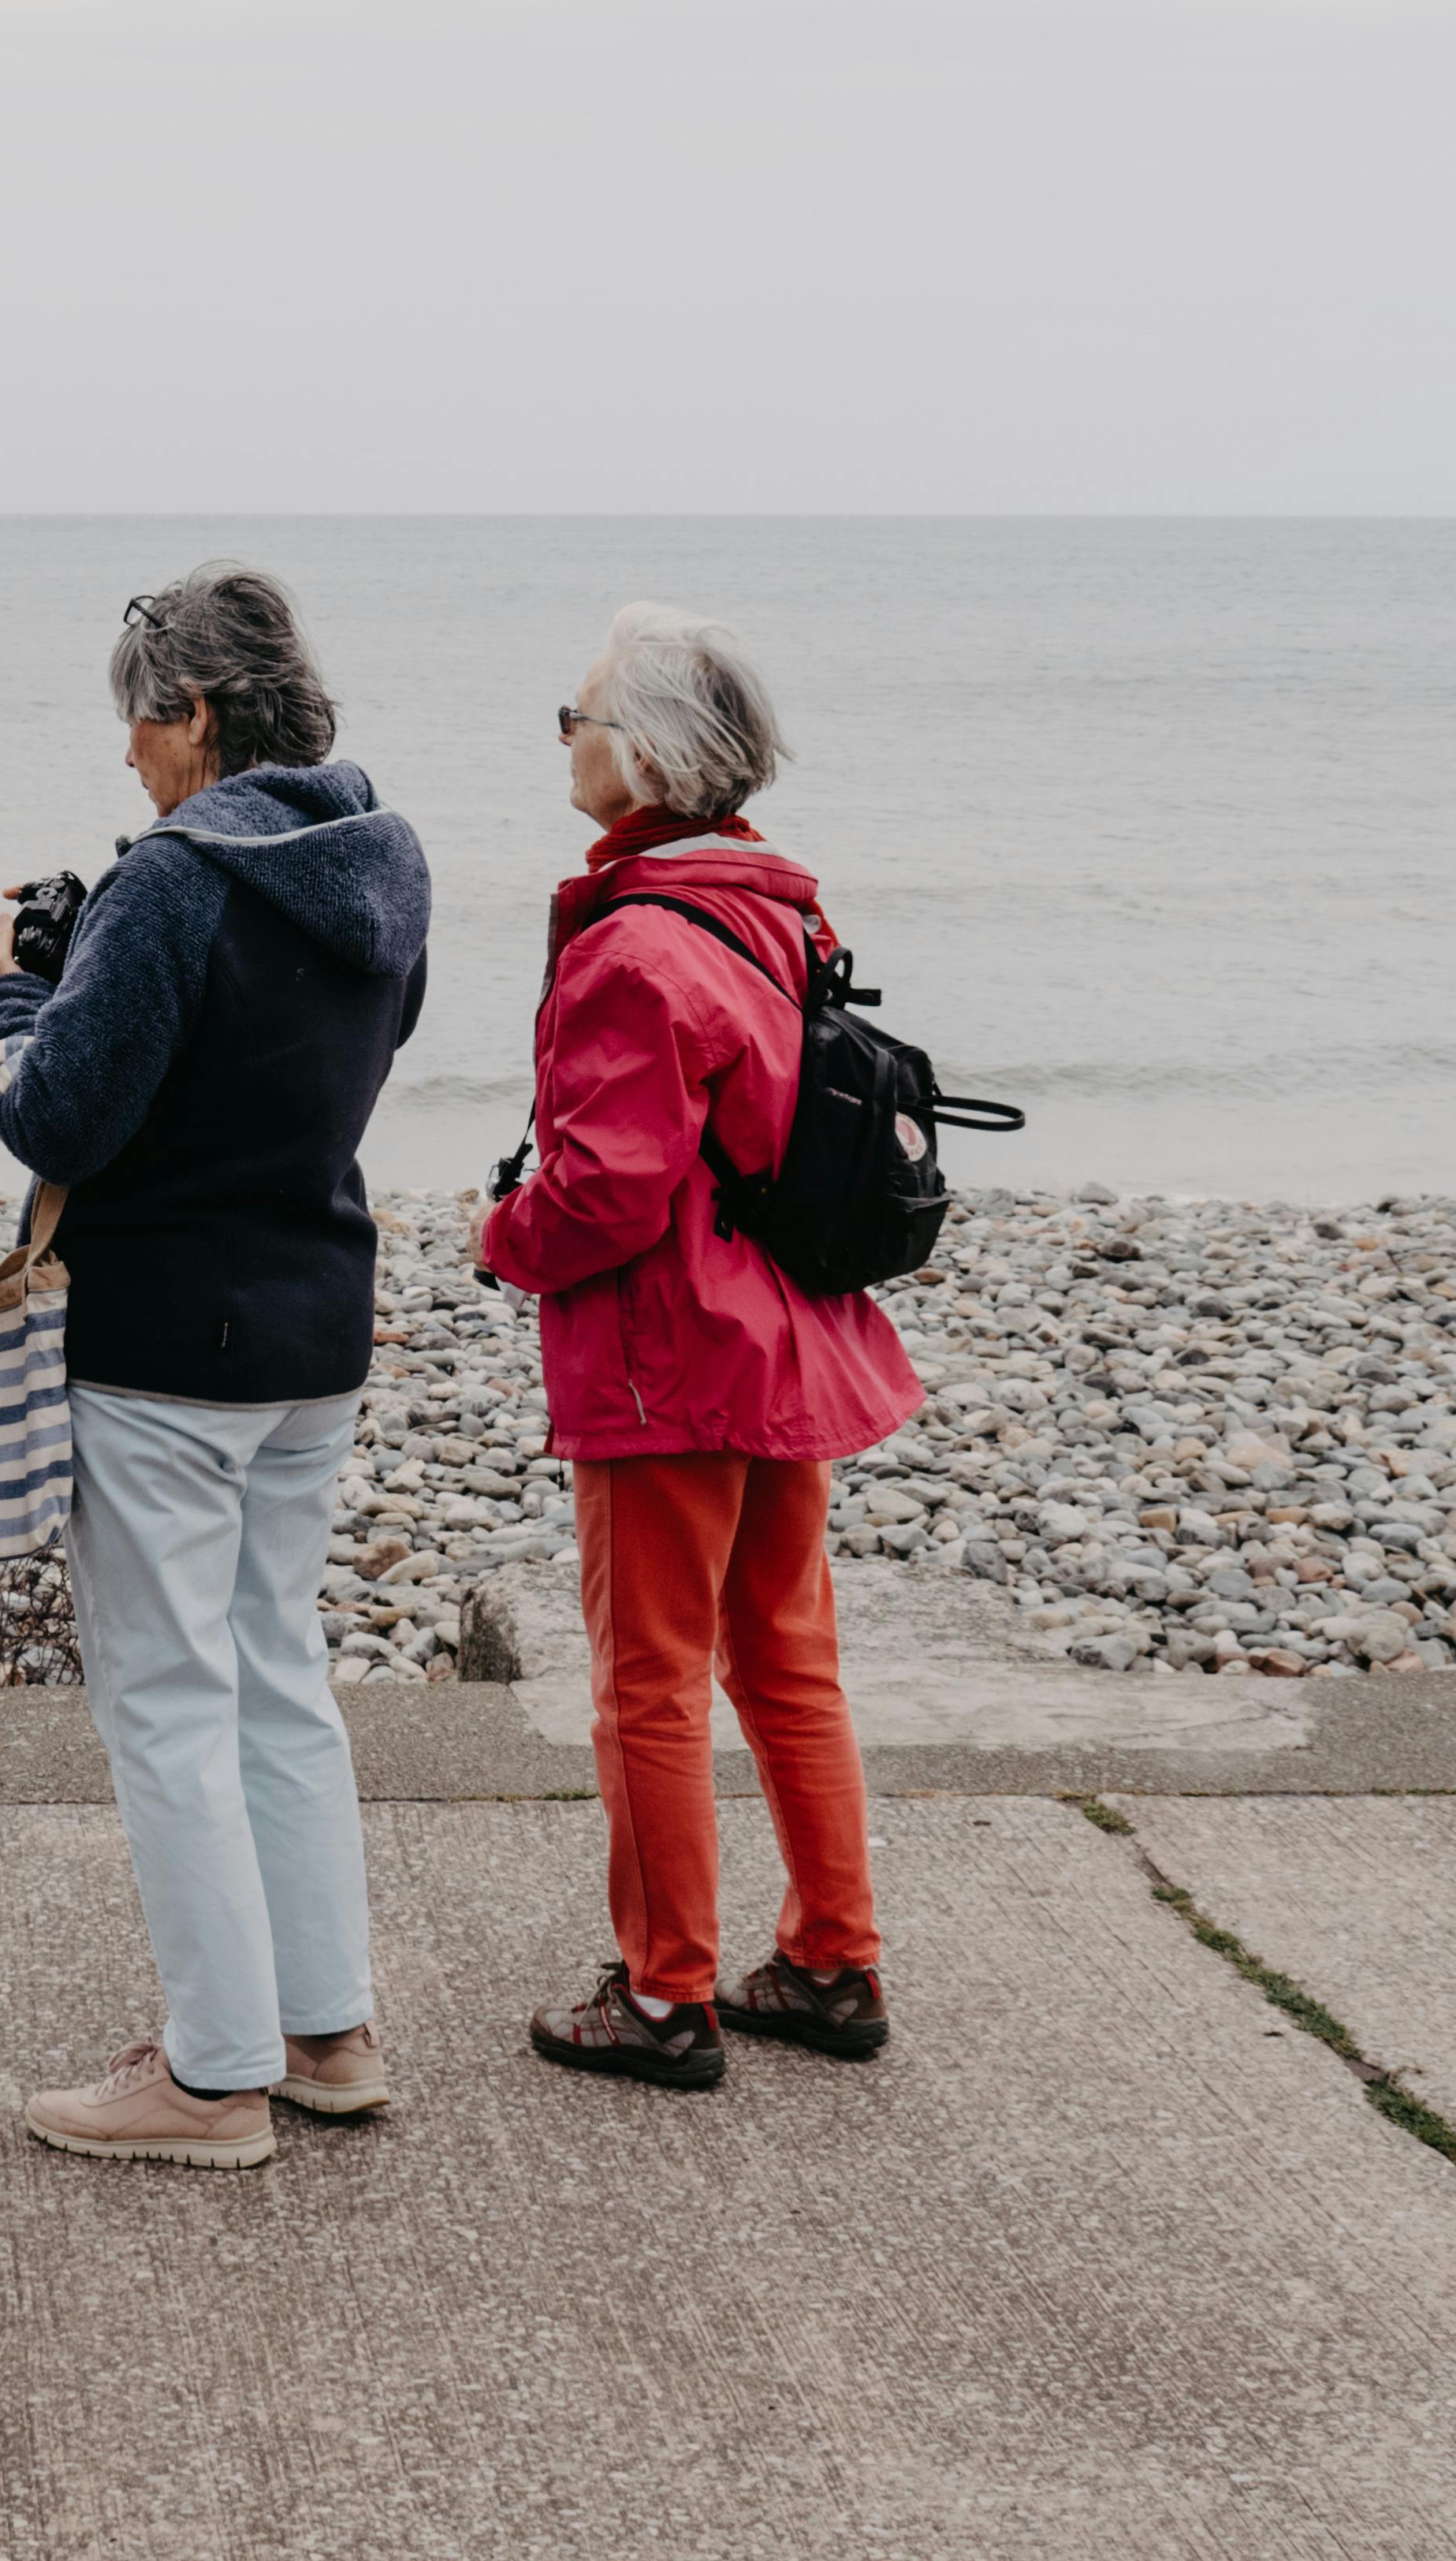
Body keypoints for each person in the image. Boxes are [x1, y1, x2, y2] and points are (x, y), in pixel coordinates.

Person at [0, 565, 432, 2170]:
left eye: (136, 723)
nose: (126, 759)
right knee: (279, 1680)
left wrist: (18, 991)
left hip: (167, 1341)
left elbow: (55, 1117)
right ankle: (325, 2031)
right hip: (314, 1321)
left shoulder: (174, 882)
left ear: (198, 716)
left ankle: (210, 2075)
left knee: (170, 1700)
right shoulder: (383, 855)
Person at [474, 604, 918, 2090]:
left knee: (647, 1679)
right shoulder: (783, 912)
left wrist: (502, 1238)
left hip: (673, 1359)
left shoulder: (639, 948)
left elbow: (606, 1191)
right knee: (787, 1659)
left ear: (648, 754)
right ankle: (831, 1959)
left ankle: (665, 1998)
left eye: (579, 713)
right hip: (790, 1336)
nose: (566, 735)